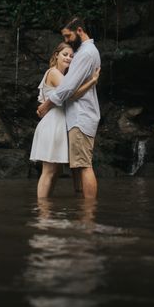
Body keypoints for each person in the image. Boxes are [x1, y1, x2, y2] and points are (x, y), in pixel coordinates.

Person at [37, 17, 101, 199]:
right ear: (56, 56)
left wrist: (46, 105)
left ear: (79, 31)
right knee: (71, 168)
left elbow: (68, 89)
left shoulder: (86, 53)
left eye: (68, 36)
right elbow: (69, 89)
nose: (66, 41)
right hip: (69, 119)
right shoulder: (87, 52)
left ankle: (88, 213)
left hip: (79, 116)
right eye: (64, 53)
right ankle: (82, 209)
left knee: (83, 165)